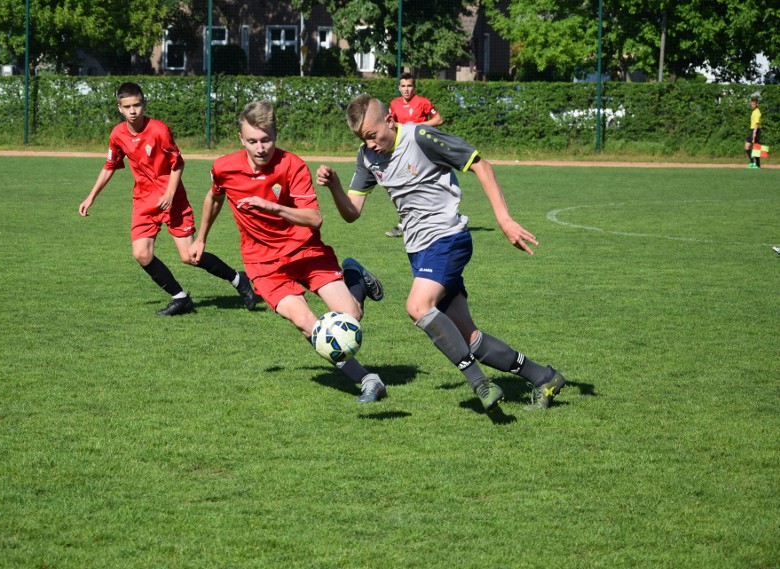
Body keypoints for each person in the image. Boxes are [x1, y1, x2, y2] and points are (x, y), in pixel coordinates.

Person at [316, 93, 568, 412]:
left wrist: (504, 219)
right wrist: (335, 186)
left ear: (389, 121)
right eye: (362, 139)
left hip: (449, 238)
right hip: (419, 251)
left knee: (418, 306)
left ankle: (481, 384)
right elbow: (352, 212)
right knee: (470, 338)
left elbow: (481, 165)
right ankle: (544, 377)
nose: (370, 144)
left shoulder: (421, 137)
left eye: (372, 135)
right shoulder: (366, 157)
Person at [188, 100, 387, 403]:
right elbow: (214, 198)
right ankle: (368, 381)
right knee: (307, 323)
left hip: (306, 251)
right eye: (253, 141)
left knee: (351, 316)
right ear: (241, 139)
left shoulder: (292, 165)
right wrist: (201, 238)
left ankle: (354, 275)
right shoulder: (224, 168)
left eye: (266, 139)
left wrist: (271, 207)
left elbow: (315, 218)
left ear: (276, 135)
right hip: (264, 264)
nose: (260, 148)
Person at [79, 82, 257, 316]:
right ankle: (180, 298)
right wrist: (91, 197)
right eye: (128, 106)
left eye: (137, 105)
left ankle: (237, 279)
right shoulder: (117, 134)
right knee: (142, 253)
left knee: (190, 257)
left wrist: (170, 193)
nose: (133, 111)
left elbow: (178, 163)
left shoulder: (159, 130)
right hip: (144, 201)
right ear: (120, 108)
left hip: (173, 200)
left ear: (144, 104)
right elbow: (110, 165)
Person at [383, 72, 444, 238]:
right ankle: (407, 223)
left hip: (422, 151)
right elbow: (390, 124)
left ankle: (439, 219)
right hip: (403, 152)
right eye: (403, 86)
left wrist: (417, 126)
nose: (406, 89)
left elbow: (438, 120)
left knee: (419, 185)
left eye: (409, 86)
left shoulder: (423, 102)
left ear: (414, 87)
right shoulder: (394, 104)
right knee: (405, 186)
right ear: (399, 88)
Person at [745, 97, 762, 169]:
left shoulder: (757, 112)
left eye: (753, 104)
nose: (752, 105)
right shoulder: (754, 111)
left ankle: (753, 163)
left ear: (757, 104)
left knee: (747, 146)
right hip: (754, 130)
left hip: (755, 130)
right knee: (756, 148)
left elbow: (757, 123)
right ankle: (757, 164)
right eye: (751, 104)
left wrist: (754, 133)